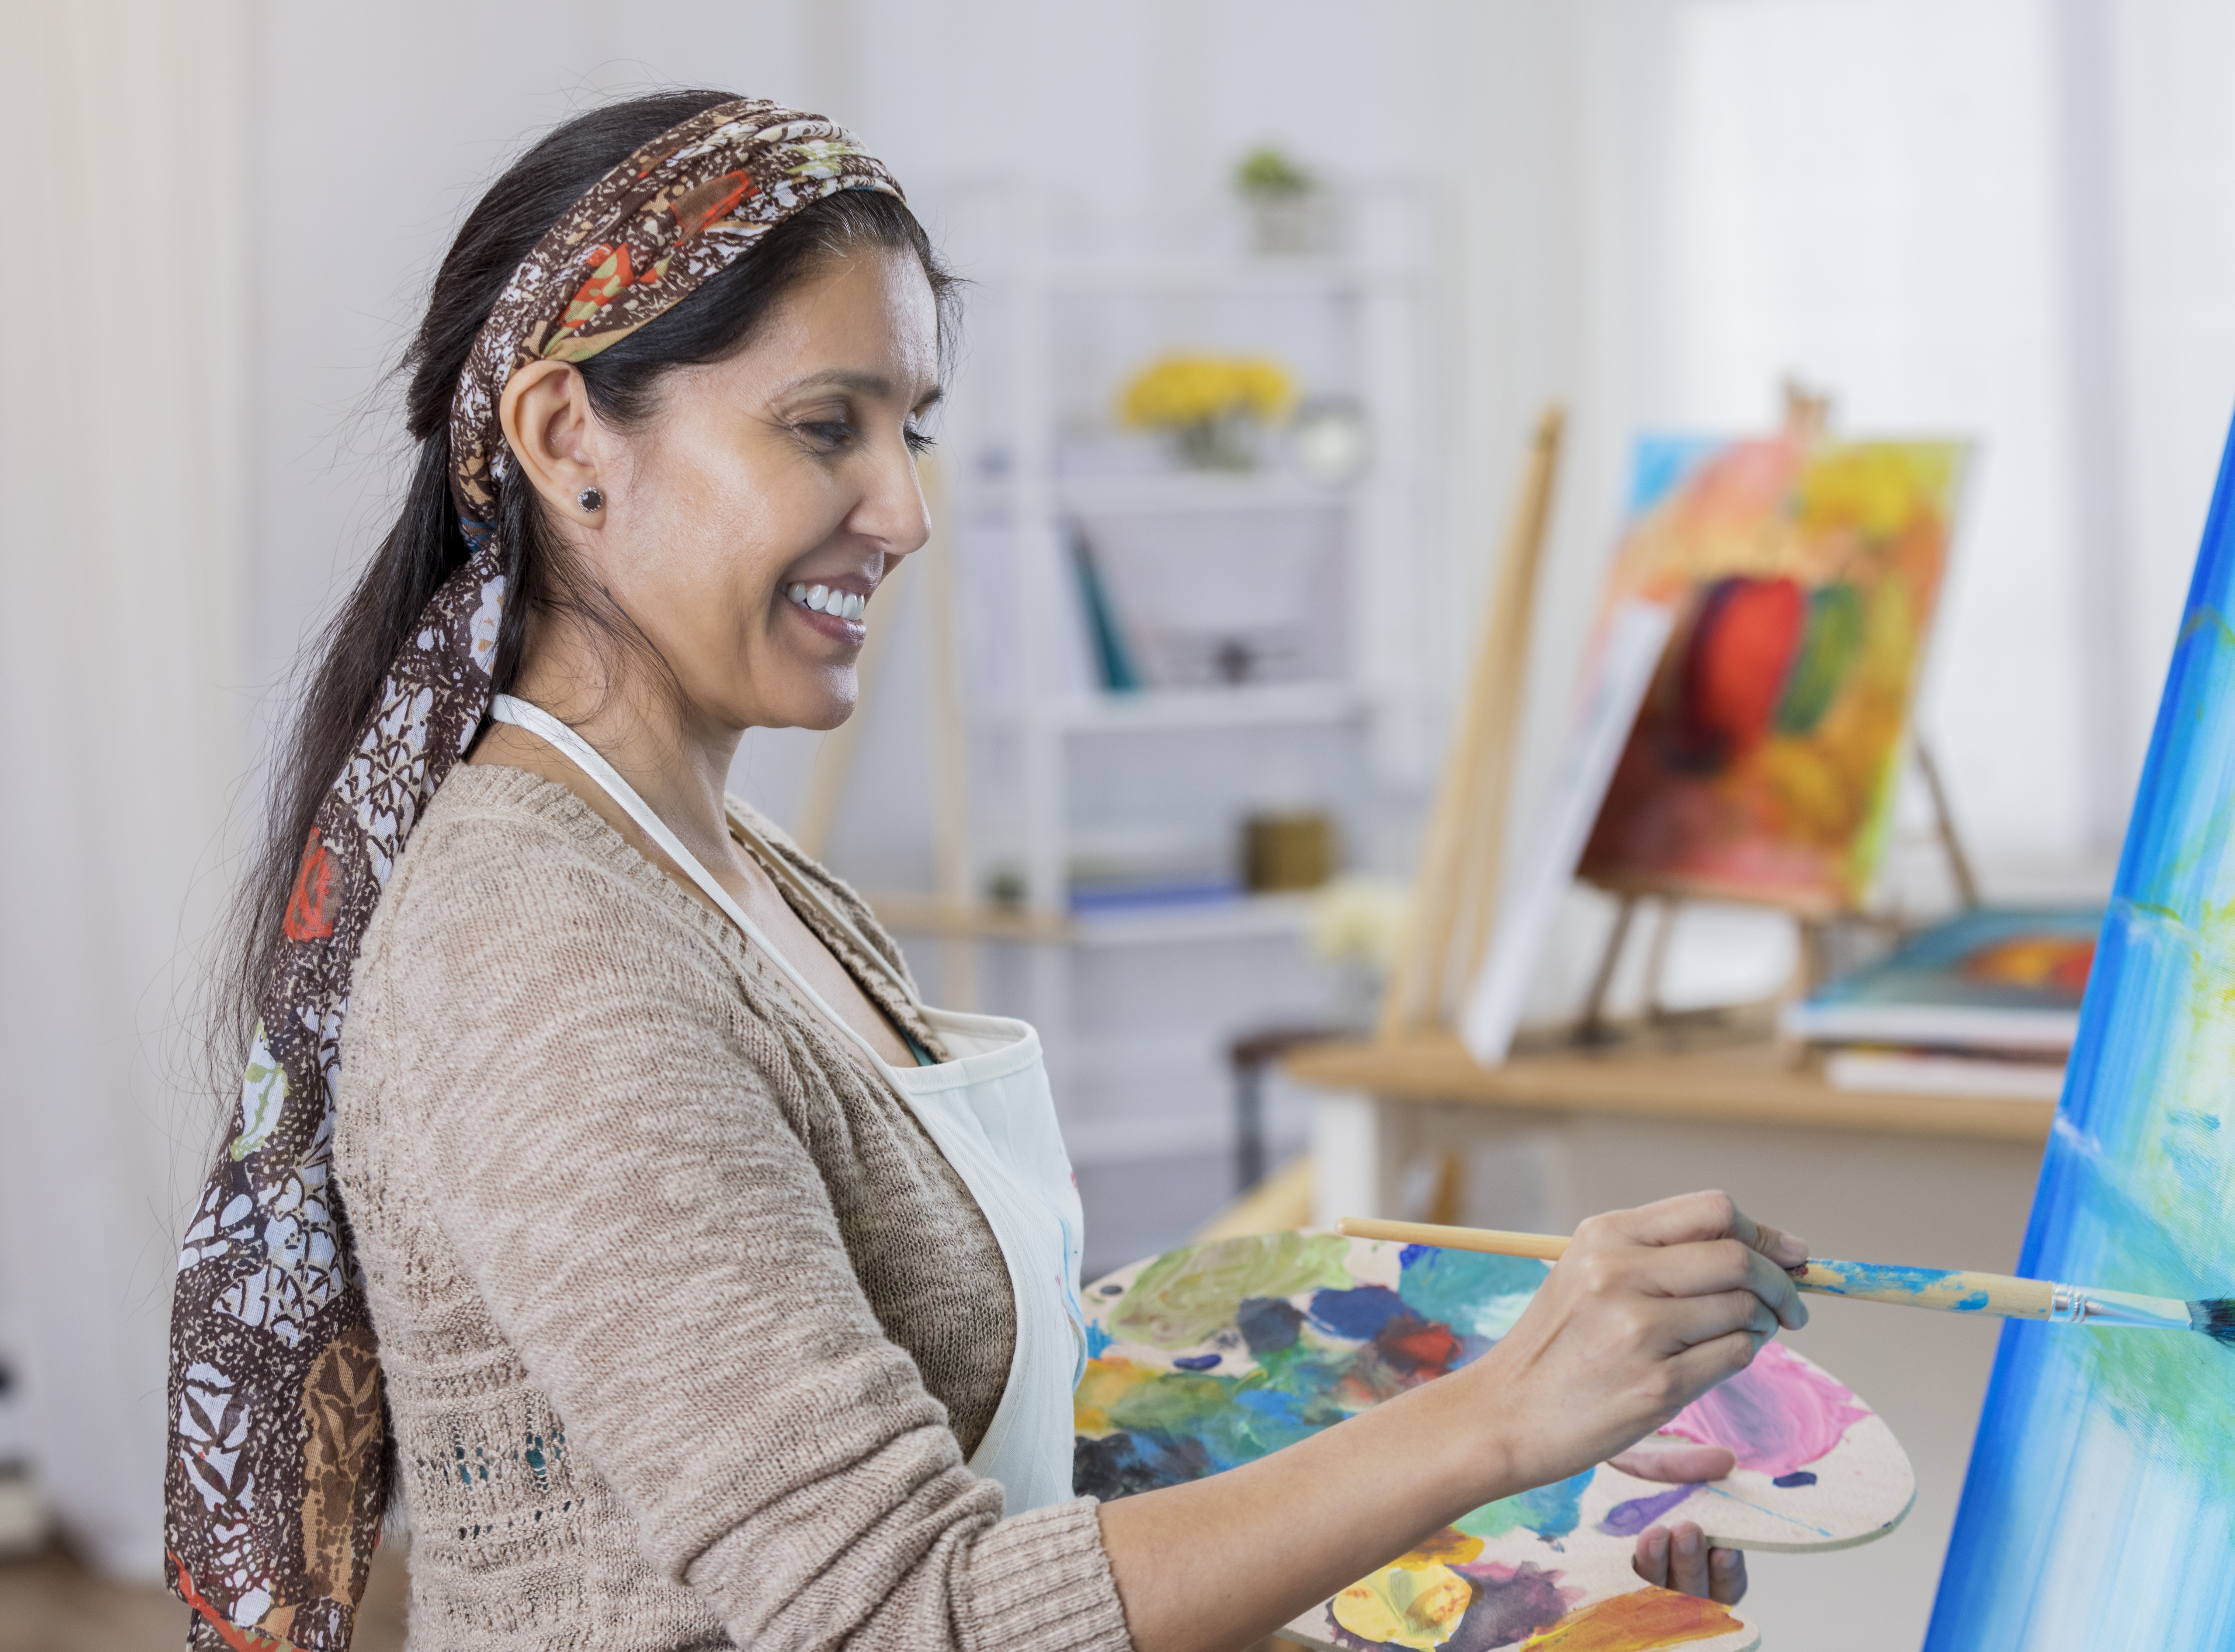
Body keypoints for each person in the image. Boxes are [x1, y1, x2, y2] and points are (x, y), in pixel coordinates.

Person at [166, 91, 1809, 1652]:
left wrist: (1520, 1569)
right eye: (828, 427)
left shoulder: (749, 881)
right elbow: (897, 1614)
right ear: (563, 435)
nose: (908, 509)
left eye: (914, 428)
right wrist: (1495, 1416)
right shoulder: (542, 949)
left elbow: (991, 1505)